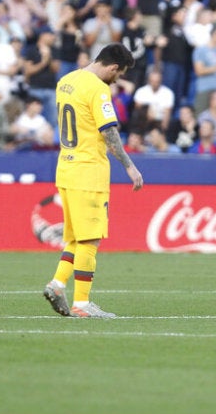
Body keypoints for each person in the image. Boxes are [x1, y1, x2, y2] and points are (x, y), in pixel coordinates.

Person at [43, 43, 143, 319]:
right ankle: (82, 303)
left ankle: (57, 284)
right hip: (89, 172)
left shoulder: (66, 81)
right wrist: (130, 166)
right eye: (119, 74)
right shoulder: (98, 89)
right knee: (90, 239)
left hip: (66, 168)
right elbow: (109, 132)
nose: (117, 79)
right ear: (112, 67)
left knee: (74, 238)